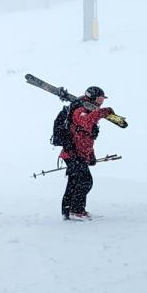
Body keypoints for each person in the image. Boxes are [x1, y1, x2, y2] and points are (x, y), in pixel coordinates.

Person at [60, 86, 115, 220]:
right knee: (85, 181)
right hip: (72, 153)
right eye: (100, 99)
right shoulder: (80, 110)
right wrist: (102, 113)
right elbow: (85, 122)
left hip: (78, 153)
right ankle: (75, 211)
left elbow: (86, 139)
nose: (101, 103)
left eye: (103, 100)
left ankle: (70, 212)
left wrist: (91, 156)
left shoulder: (88, 111)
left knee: (75, 182)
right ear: (92, 97)